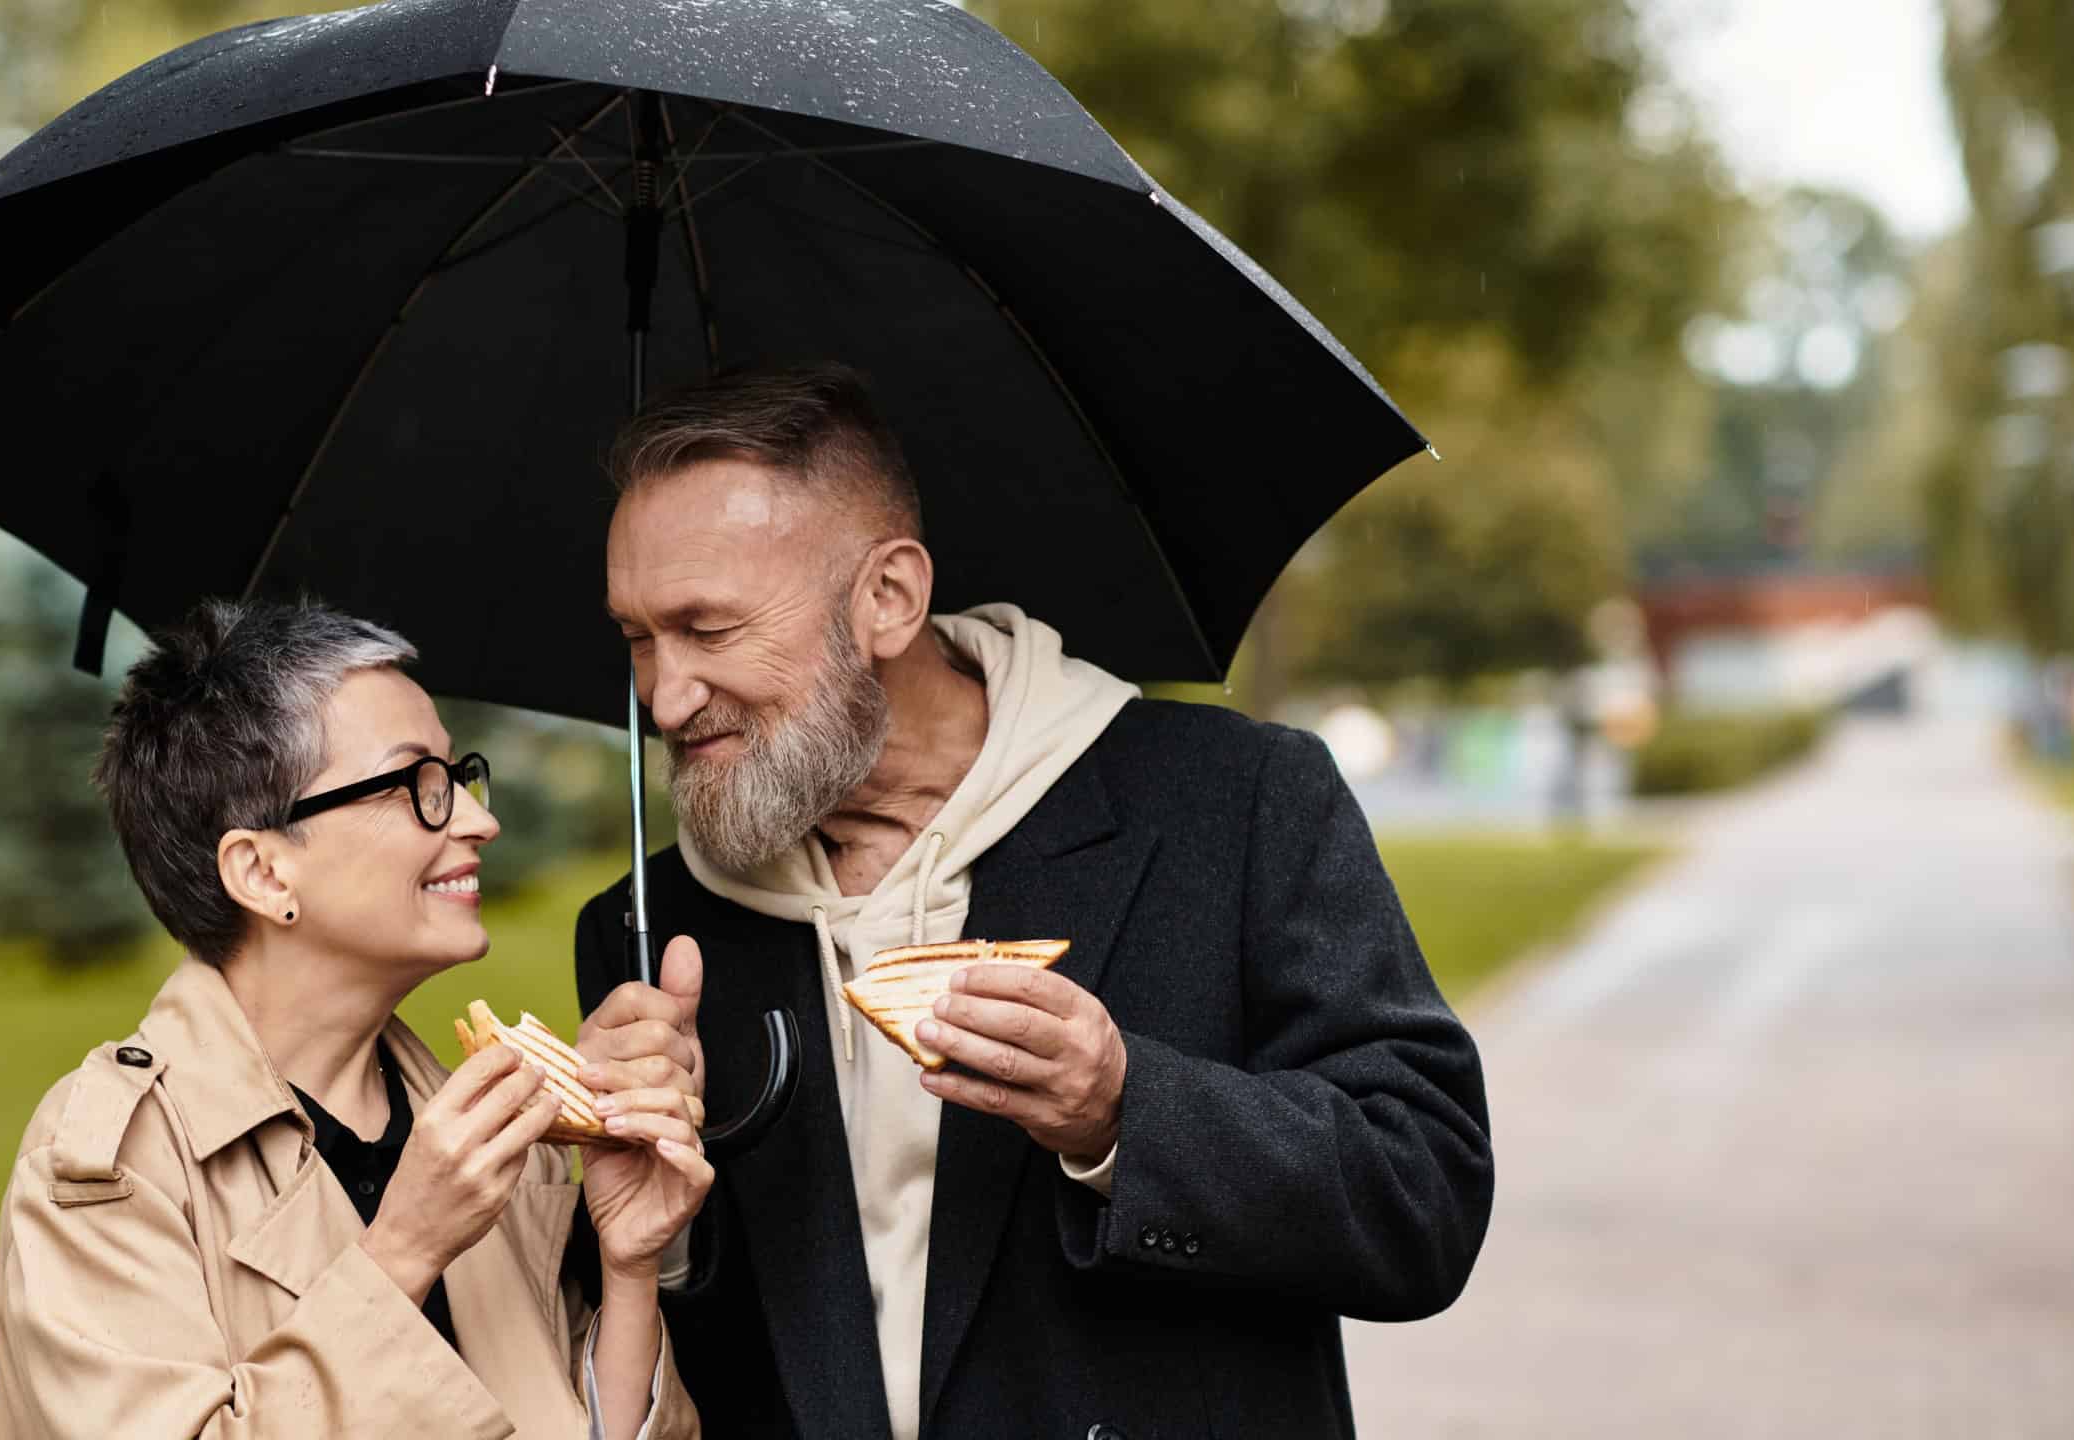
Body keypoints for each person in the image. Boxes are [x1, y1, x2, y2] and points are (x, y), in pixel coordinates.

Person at [574, 366, 1494, 1438]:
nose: (661, 695)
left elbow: (1419, 1199)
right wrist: (660, 1240)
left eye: (708, 629)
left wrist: (1125, 1110)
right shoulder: (645, 928)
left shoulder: (1236, 802)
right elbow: (708, 1354)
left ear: (888, 597)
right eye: (638, 636)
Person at [0, 598, 708, 1439]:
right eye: (419, 787)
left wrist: (627, 1263)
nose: (480, 821)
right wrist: (403, 1251)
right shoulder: (113, 1168)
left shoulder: (488, 1133)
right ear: (263, 872)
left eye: (459, 776)